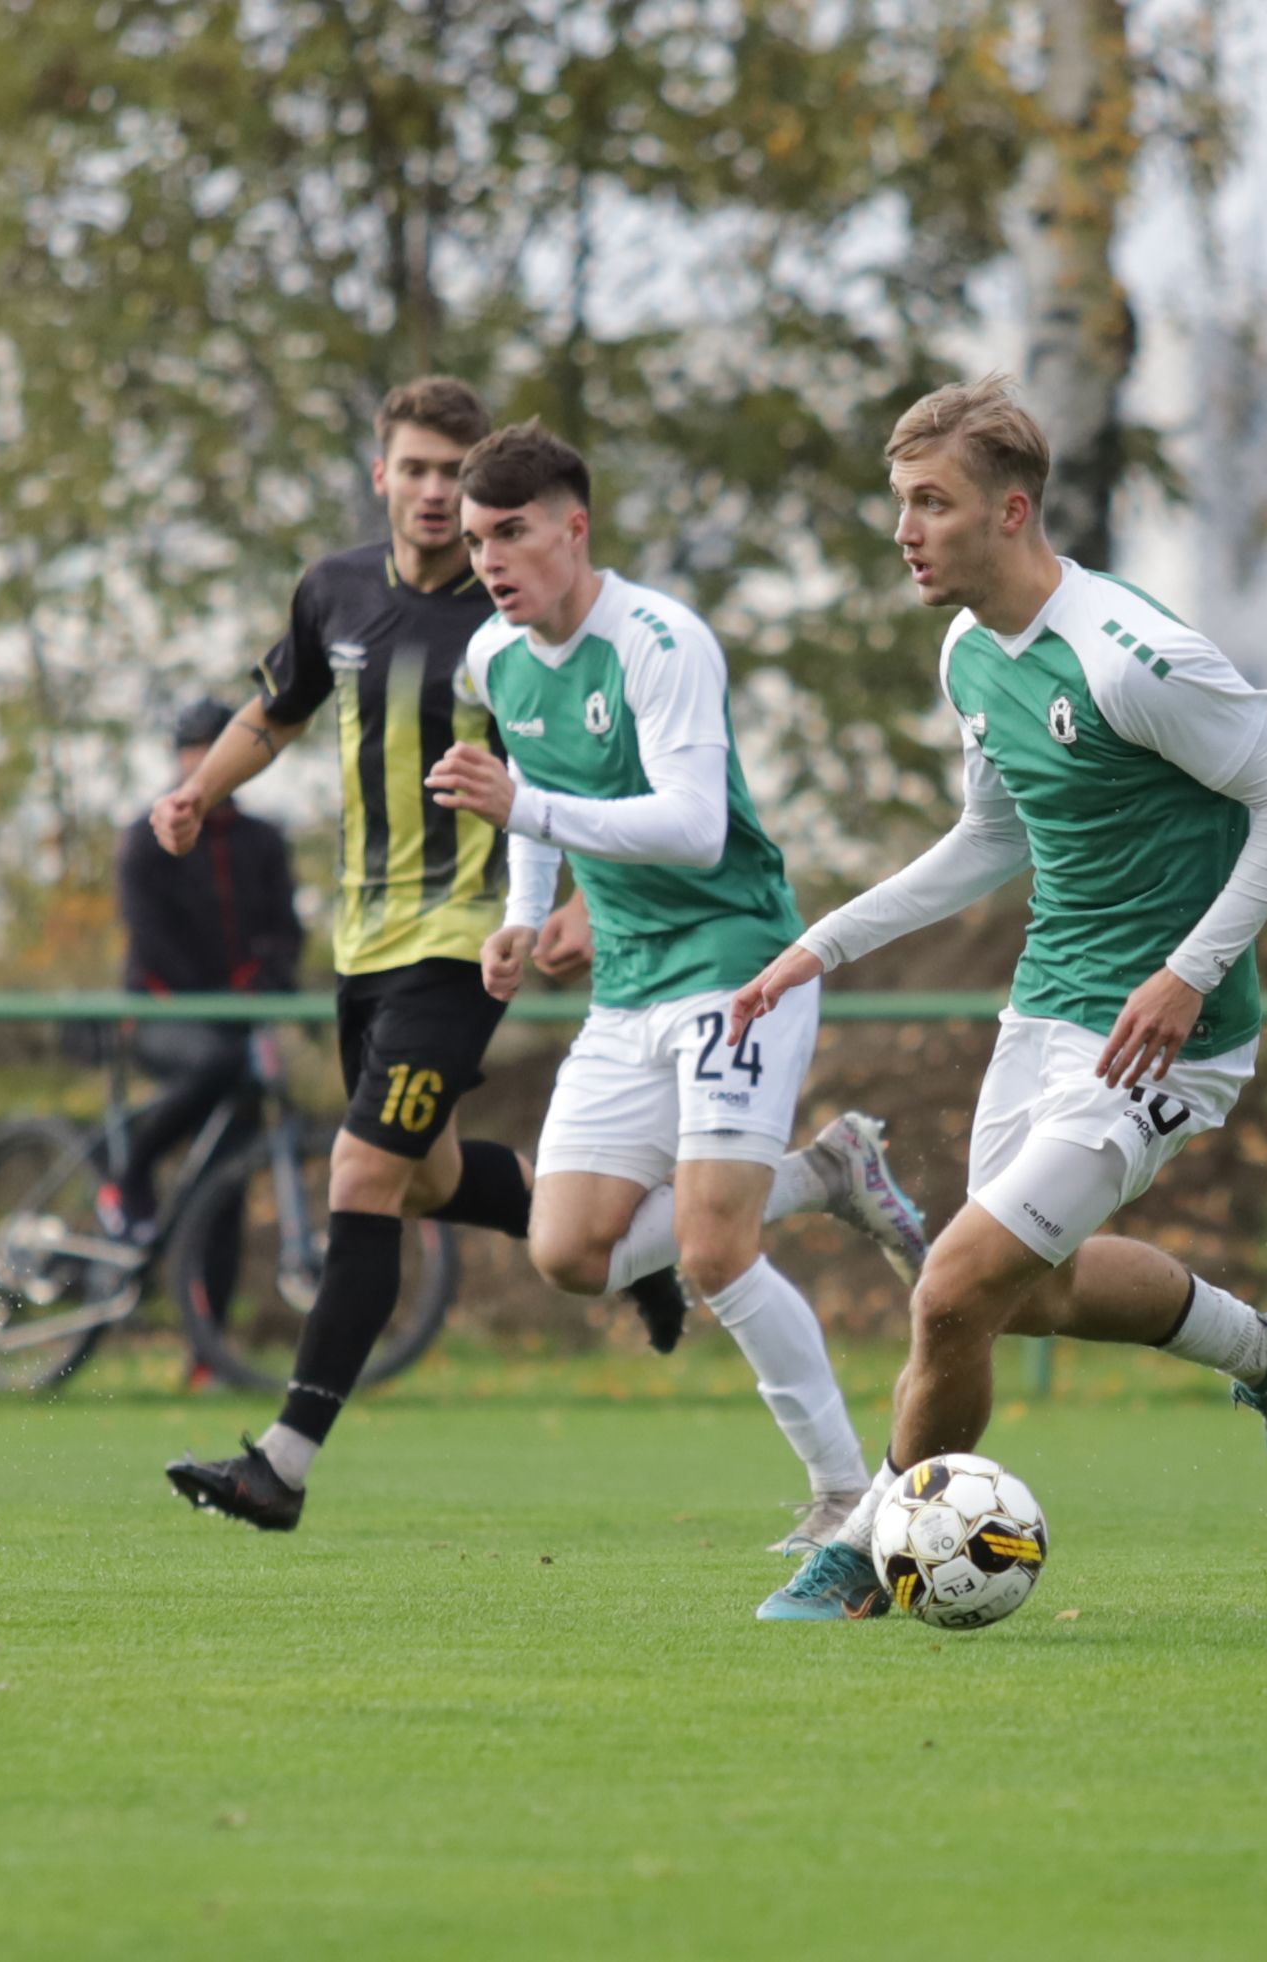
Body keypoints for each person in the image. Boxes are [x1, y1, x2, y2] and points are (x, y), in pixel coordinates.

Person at [740, 376, 1267, 1622]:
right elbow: (987, 839)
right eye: (899, 503)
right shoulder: (969, 651)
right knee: (1032, 1293)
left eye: (930, 503)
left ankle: (861, 1550)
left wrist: (1190, 972)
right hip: (1049, 1010)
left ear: (1012, 512)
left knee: (952, 1287)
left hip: (1166, 1042)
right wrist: (820, 947)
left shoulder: (1134, 657)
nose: (905, 530)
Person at [426, 422, 932, 1553]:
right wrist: (523, 916)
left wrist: (529, 814)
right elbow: (538, 797)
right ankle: (825, 1173)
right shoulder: (493, 661)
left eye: (513, 533)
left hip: (737, 966)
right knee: (570, 1255)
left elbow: (695, 831)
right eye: (474, 540)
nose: (492, 560)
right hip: (630, 990)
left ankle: (846, 1494)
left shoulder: (660, 640)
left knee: (710, 1251)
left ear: (575, 526)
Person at [161, 376, 608, 1531]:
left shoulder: (517, 620)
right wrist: (200, 791)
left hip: (462, 943)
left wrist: (581, 903)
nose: (432, 492)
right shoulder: (335, 591)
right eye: (412, 469)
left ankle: (283, 1464)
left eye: (455, 476)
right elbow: (279, 708)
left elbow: (585, 770)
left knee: (359, 1177)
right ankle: (644, 1237)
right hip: (359, 942)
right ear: (380, 476)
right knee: (434, 1178)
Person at [103, 697, 305, 1241]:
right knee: (215, 1064)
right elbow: (149, 936)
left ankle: (209, 1314)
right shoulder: (146, 838)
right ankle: (129, 1173)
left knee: (232, 1165)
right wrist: (214, 994)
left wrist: (268, 977)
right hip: (160, 1014)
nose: (199, 761)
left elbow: (285, 929)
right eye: (190, 749)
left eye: (212, 749)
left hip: (239, 1024)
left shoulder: (263, 840)